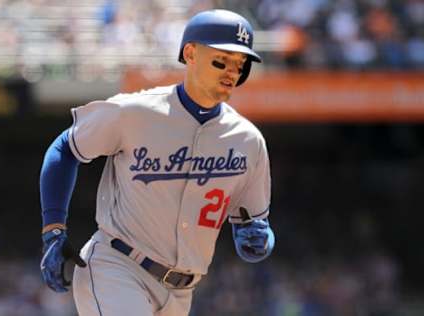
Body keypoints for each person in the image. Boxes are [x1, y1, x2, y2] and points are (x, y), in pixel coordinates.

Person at [39, 9, 275, 316]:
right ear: (190, 53)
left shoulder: (248, 140)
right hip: (117, 268)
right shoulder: (135, 111)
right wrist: (53, 230)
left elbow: (253, 222)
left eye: (240, 64)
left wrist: (258, 238)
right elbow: (64, 148)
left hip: (182, 292)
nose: (232, 72)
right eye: (222, 60)